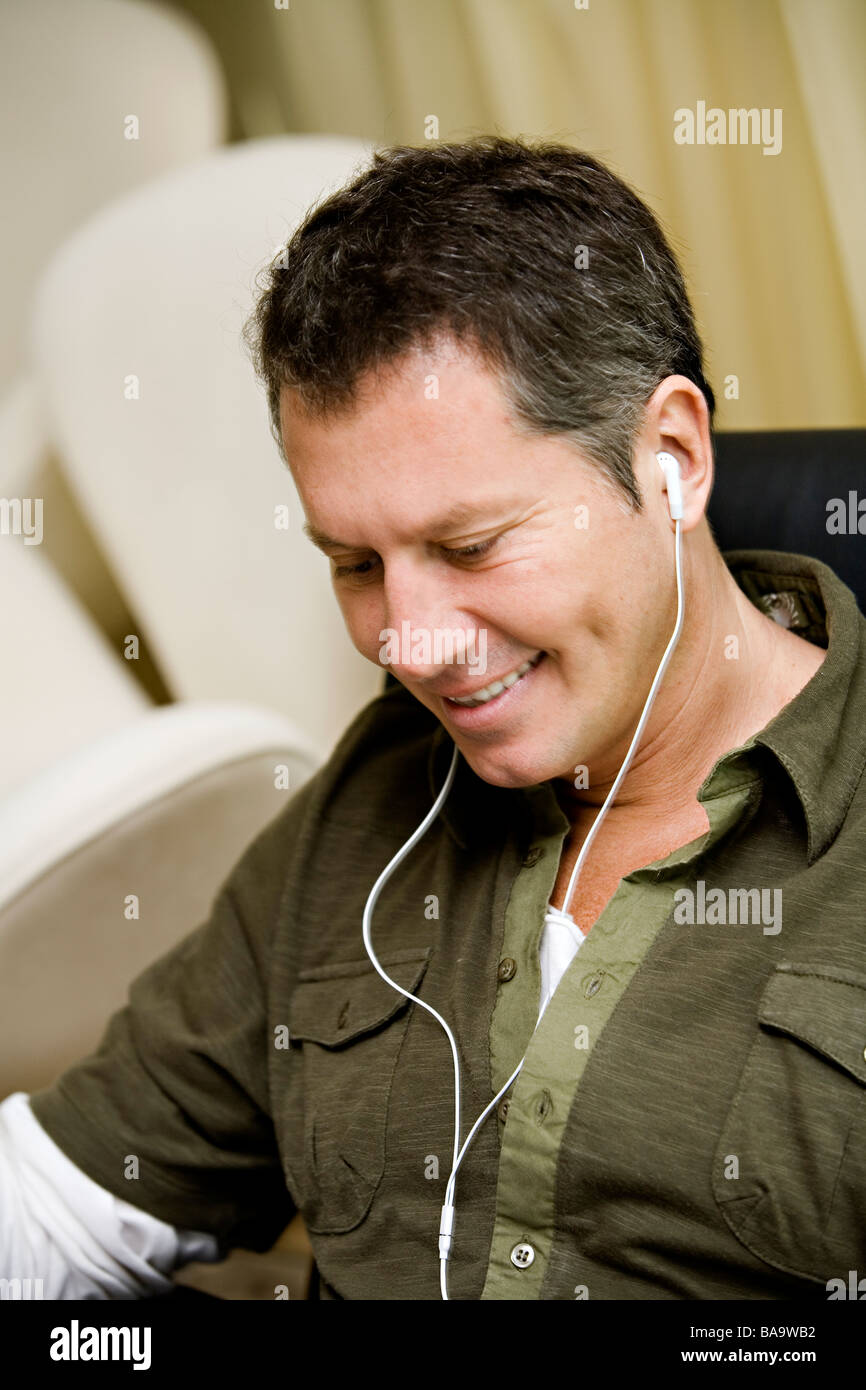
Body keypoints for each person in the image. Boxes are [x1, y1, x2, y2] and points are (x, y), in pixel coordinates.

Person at [2, 136, 863, 1301]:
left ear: (667, 460)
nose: (406, 640)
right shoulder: (369, 803)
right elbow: (65, 1202)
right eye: (355, 561)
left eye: (467, 547)